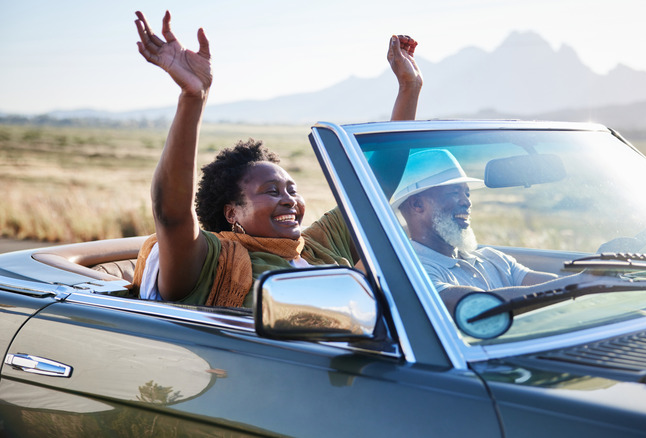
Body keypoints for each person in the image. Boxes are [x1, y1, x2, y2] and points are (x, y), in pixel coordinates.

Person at [130, 10, 423, 307]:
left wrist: (409, 87)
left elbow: (378, 183)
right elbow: (171, 214)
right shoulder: (214, 261)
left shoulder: (316, 245)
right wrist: (193, 97)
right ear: (232, 213)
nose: (289, 200)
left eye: (292, 190)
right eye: (272, 191)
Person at [392, 149, 590, 316]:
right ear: (417, 204)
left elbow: (550, 285)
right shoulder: (411, 271)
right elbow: (480, 304)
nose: (467, 202)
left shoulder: (492, 258)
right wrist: (581, 281)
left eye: (467, 193)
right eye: (454, 193)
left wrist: (590, 281)